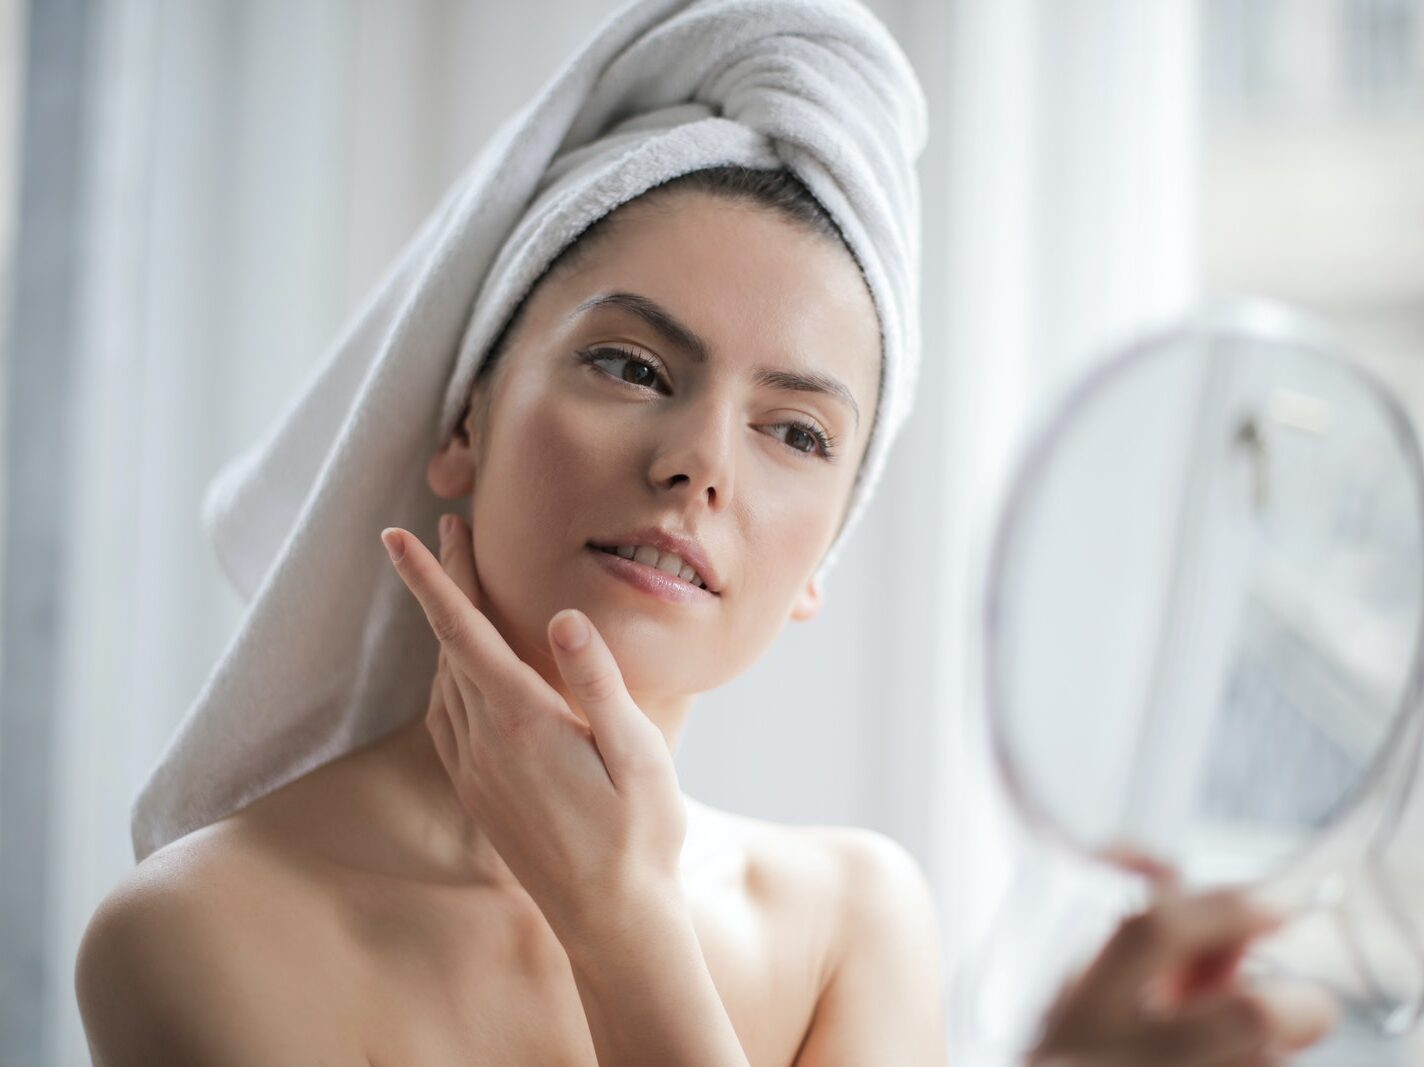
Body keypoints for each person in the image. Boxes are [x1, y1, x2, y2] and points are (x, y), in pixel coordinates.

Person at [74, 3, 1338, 1064]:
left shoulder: (855, 921)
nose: (696, 464)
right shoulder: (200, 930)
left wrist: (622, 920)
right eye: (630, 364)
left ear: (822, 559)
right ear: (461, 421)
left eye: (795, 433)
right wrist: (618, 924)